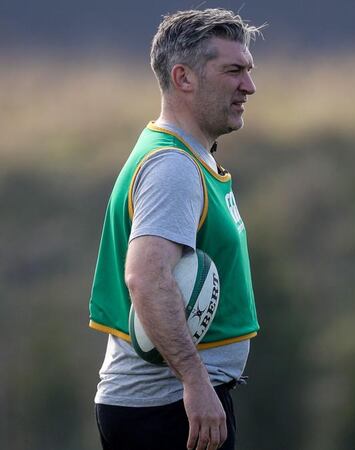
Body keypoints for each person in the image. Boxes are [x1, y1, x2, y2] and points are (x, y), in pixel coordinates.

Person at [88, 8, 264, 450]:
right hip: (168, 410)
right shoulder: (173, 167)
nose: (249, 86)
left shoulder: (189, 156)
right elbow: (146, 277)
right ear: (183, 78)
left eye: (248, 70)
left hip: (171, 406)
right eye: (233, 71)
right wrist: (195, 381)